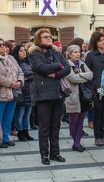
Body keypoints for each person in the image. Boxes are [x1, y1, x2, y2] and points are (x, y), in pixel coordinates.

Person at [28, 28, 70, 165]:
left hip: (58, 94)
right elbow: (41, 68)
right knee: (44, 127)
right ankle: (44, 154)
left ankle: (55, 153)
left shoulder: (56, 52)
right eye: (45, 37)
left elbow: (67, 68)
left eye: (50, 36)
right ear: (38, 39)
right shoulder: (35, 53)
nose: (49, 38)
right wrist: (59, 65)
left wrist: (56, 74)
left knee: (56, 126)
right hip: (44, 94)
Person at [0, 38, 24, 148]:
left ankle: (5, 137)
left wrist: (19, 81)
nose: (3, 46)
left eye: (4, 45)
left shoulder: (11, 58)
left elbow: (20, 71)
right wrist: (10, 83)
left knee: (8, 117)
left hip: (13, 93)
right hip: (0, 93)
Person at [63, 45, 93, 152]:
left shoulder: (82, 64)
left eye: (78, 52)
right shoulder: (67, 65)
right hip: (73, 96)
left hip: (84, 96)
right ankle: (74, 138)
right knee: (74, 120)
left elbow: (91, 75)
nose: (77, 54)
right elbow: (73, 79)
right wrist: (83, 76)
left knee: (81, 121)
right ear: (69, 54)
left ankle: (77, 143)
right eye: (75, 52)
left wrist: (80, 74)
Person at [85, 31, 104, 146]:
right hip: (96, 88)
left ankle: (103, 134)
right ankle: (97, 136)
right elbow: (87, 72)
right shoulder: (90, 55)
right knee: (98, 112)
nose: (103, 42)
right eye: (100, 40)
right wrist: (92, 86)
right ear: (95, 42)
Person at [11, 44, 35, 142]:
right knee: (19, 114)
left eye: (24, 50)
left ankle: (26, 131)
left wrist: (27, 77)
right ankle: (20, 132)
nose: (24, 52)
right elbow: (19, 76)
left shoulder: (29, 62)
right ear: (17, 53)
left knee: (27, 114)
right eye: (21, 51)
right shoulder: (15, 64)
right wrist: (27, 77)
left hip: (31, 91)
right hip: (22, 91)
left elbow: (34, 74)